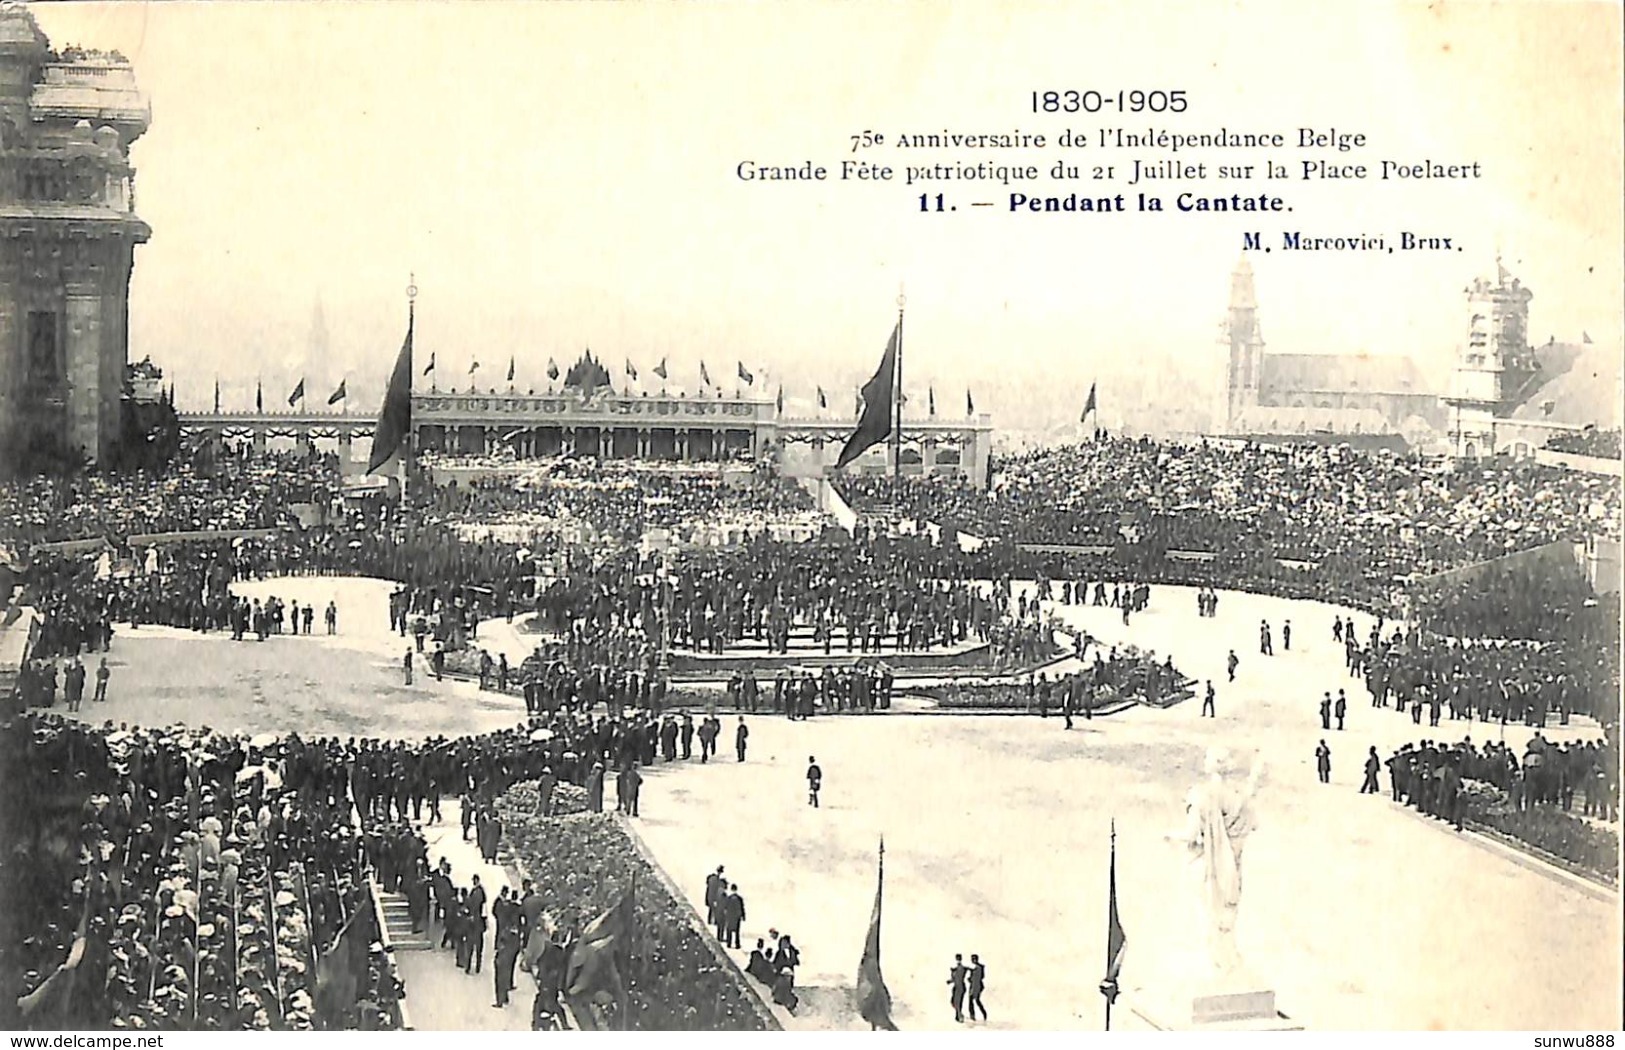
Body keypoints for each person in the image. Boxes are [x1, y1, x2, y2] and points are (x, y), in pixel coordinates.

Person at [948, 953, 968, 1023]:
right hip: (957, 986)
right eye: (957, 958)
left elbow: (959, 977)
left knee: (958, 1002)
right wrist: (950, 981)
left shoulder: (961, 968)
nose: (958, 960)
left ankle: (959, 1016)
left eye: (959, 958)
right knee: (954, 1002)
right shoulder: (955, 968)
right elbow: (955, 978)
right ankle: (958, 1015)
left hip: (960, 987)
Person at [967, 953, 987, 1022]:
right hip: (975, 985)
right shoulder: (976, 967)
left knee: (973, 1000)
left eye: (973, 959)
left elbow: (980, 977)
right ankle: (982, 1014)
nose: (972, 960)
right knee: (976, 1000)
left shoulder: (978, 967)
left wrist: (971, 979)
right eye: (972, 959)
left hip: (976, 986)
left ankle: (973, 1015)